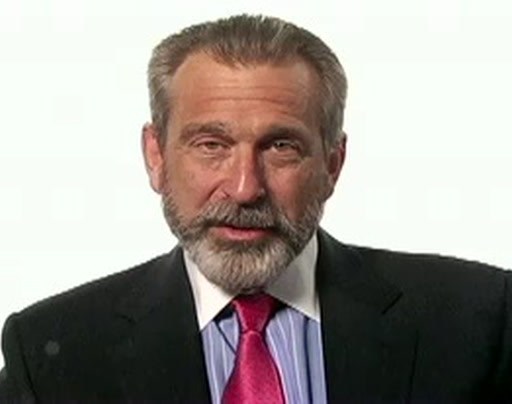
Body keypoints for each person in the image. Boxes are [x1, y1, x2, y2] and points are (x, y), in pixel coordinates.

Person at [0, 14, 511, 403]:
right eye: (211, 145)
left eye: (281, 147)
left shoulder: (479, 322)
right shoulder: (52, 355)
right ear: (156, 157)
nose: (245, 189)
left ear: (333, 164)